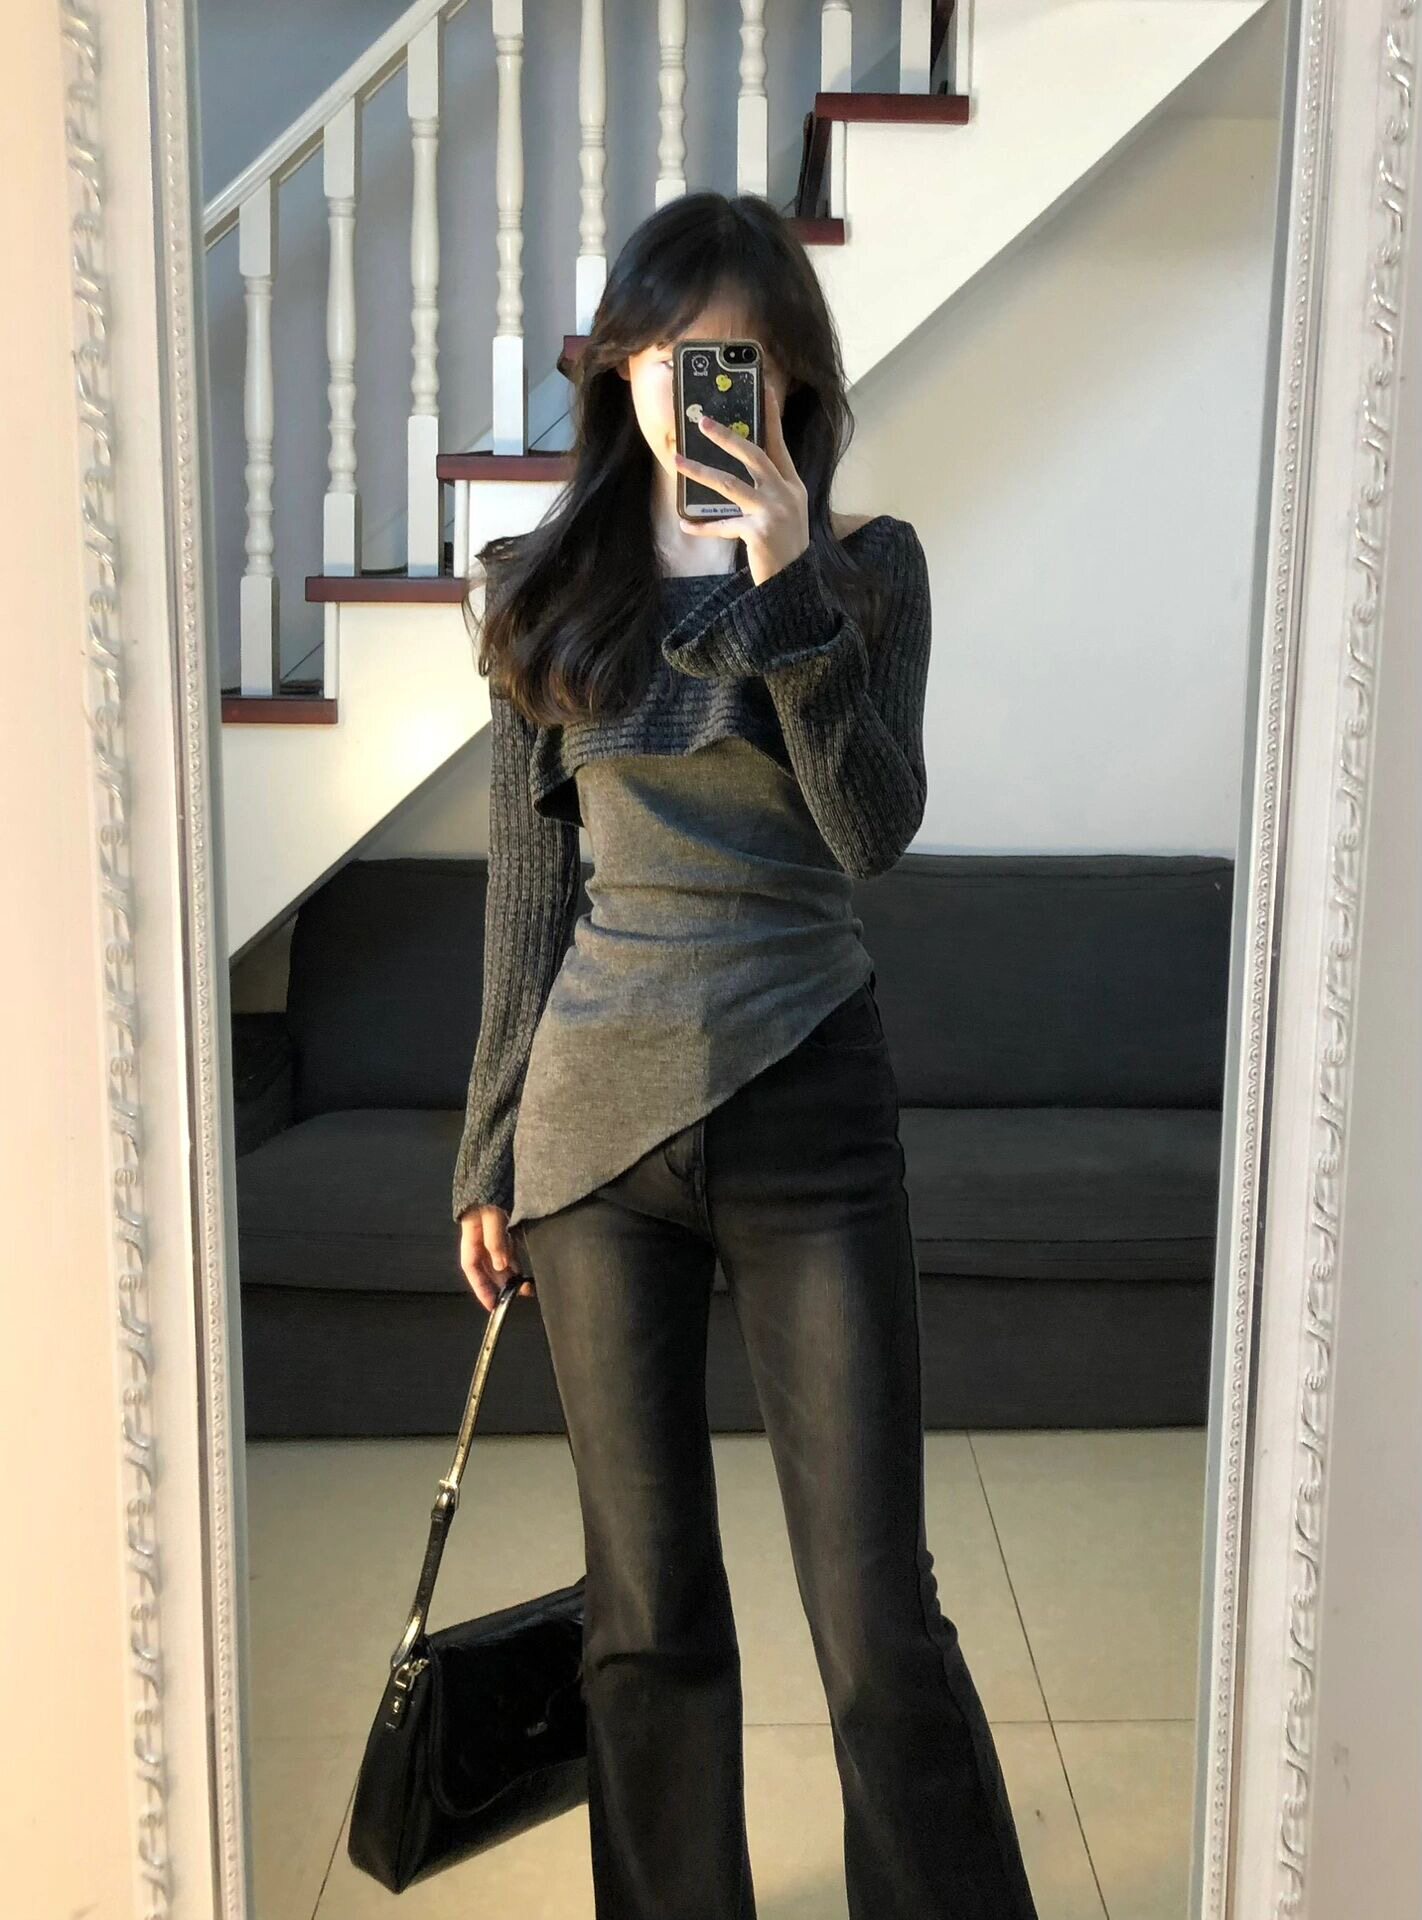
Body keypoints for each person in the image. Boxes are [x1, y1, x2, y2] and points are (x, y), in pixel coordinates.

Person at [452, 190, 1039, 1920]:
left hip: (809, 1114)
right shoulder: (539, 589)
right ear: (616, 372)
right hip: (592, 1142)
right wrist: (486, 1148)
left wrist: (790, 588)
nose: (693, 391)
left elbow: (870, 834)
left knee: (875, 1618)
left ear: (790, 380)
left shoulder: (867, 568)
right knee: (643, 1617)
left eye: (735, 362)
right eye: (663, 357)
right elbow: (527, 893)